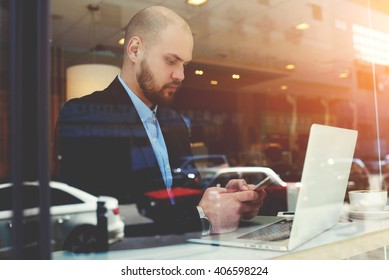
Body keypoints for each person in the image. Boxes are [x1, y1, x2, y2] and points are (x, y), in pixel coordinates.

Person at [57, 6, 266, 236]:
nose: (181, 75)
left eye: (183, 64)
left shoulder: (174, 122)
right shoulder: (85, 115)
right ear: (135, 50)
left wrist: (223, 199)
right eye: (171, 61)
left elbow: (181, 197)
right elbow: (95, 217)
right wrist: (202, 217)